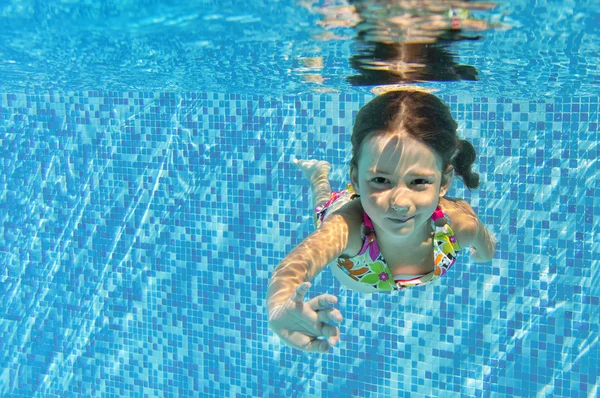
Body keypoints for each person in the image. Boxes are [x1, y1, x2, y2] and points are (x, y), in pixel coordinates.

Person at [266, 90, 496, 353]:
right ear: (355, 178)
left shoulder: (457, 226)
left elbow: (484, 240)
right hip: (348, 209)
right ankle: (319, 176)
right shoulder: (347, 230)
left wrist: (485, 254)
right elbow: (298, 262)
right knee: (322, 205)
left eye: (419, 181)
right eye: (381, 180)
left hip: (370, 219)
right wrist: (279, 303)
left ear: (443, 183)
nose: (400, 202)